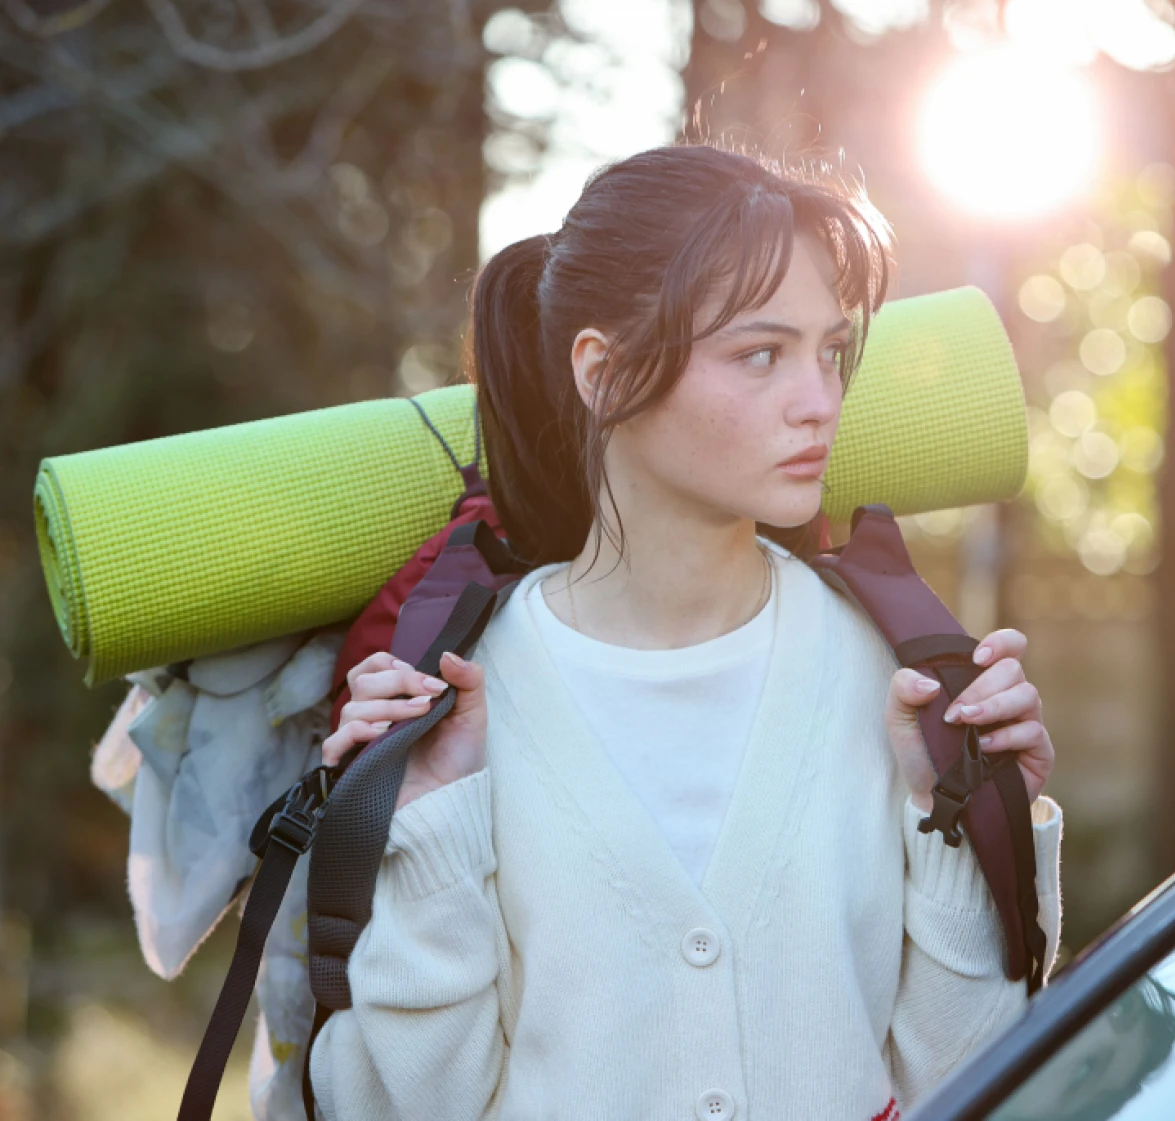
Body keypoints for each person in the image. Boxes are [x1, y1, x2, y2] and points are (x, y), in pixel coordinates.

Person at [309, 143, 1063, 1121]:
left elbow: (969, 1082)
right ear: (605, 371)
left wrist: (970, 817)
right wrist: (426, 836)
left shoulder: (899, 676)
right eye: (760, 353)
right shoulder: (453, 703)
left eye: (830, 350)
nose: (819, 400)